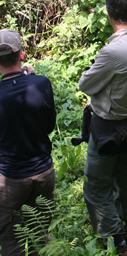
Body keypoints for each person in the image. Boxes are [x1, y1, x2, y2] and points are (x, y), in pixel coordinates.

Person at [79, 0, 127, 256]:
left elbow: (86, 83)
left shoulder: (113, 52)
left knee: (97, 187)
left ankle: (118, 244)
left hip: (108, 128)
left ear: (109, 14)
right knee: (125, 178)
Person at [0, 29, 56, 256]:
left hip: (11, 179)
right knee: (41, 234)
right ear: (22, 55)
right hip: (43, 173)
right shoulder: (41, 84)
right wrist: (30, 77)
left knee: (10, 238)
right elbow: (49, 125)